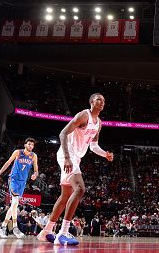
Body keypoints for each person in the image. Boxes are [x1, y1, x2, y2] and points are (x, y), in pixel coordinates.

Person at [37, 93, 114, 246]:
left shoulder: (99, 123)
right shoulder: (83, 115)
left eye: (104, 100)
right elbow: (63, 133)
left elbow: (93, 146)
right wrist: (66, 157)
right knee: (79, 189)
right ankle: (63, 233)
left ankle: (46, 231)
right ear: (91, 102)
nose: (102, 102)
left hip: (76, 157)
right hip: (67, 154)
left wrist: (105, 154)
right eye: (99, 99)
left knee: (65, 196)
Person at [0, 137, 39, 238]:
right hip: (14, 179)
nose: (30, 146)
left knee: (14, 205)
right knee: (15, 203)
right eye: (29, 144)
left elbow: (36, 169)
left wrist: (35, 175)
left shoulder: (33, 156)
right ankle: (15, 228)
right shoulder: (18, 152)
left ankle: (3, 228)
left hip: (22, 182)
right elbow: (8, 163)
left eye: (32, 145)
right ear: (25, 145)